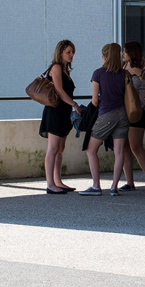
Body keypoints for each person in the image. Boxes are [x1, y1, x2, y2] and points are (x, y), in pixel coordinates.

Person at [80, 43, 129, 197]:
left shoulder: (98, 74)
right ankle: (114, 187)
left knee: (91, 149)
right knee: (119, 152)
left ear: (104, 56)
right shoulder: (124, 74)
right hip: (123, 114)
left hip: (106, 114)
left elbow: (95, 101)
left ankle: (96, 185)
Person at [39, 40, 82, 194]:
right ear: (61, 52)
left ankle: (58, 181)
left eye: (73, 52)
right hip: (55, 111)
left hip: (63, 112)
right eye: (69, 52)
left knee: (60, 148)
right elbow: (58, 90)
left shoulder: (64, 69)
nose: (72, 55)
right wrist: (74, 104)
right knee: (53, 148)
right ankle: (50, 184)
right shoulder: (56, 67)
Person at [119, 41, 145, 193]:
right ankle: (129, 182)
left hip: (138, 111)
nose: (123, 54)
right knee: (125, 147)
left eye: (125, 51)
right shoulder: (123, 67)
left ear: (132, 53)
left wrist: (139, 75)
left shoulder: (144, 67)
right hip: (124, 111)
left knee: (136, 146)